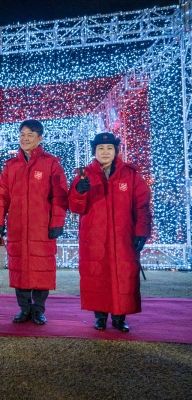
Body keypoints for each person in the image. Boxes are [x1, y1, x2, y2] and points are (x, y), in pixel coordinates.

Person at [68, 133, 151, 332]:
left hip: (123, 237)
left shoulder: (131, 175)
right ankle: (100, 316)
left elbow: (142, 206)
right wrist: (79, 191)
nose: (105, 152)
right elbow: (74, 207)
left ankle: (119, 317)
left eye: (109, 148)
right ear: (94, 151)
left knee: (122, 275)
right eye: (101, 148)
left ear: (116, 151)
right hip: (94, 237)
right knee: (97, 275)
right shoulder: (83, 174)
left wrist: (142, 232)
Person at [0, 119, 68, 325]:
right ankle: (24, 309)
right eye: (22, 134)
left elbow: (59, 197)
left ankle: (39, 310)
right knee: (20, 268)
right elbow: (2, 196)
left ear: (39, 138)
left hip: (41, 227)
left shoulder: (51, 164)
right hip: (17, 226)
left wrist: (57, 222)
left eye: (30, 135)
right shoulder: (11, 166)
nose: (25, 138)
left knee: (41, 268)